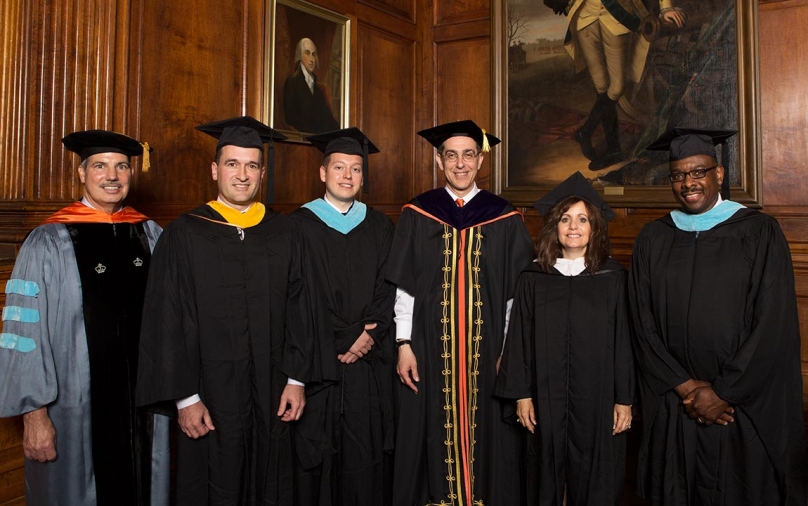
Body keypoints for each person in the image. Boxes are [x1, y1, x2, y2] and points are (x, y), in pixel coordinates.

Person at [136, 116, 327, 505]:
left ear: (262, 172)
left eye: (252, 165)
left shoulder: (284, 232)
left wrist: (297, 379)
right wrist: (185, 399)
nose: (242, 175)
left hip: (275, 389)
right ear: (214, 169)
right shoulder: (185, 234)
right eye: (232, 164)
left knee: (274, 478)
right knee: (213, 480)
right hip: (209, 396)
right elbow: (168, 319)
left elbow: (302, 309)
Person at [630, 127, 807, 505]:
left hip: (739, 408)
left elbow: (772, 324)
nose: (688, 182)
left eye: (698, 172)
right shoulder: (654, 237)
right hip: (677, 404)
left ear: (719, 174)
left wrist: (723, 393)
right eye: (678, 175)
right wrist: (684, 386)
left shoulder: (759, 232)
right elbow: (641, 322)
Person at [0, 130, 169, 505]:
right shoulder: (49, 240)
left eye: (122, 166)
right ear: (81, 174)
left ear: (131, 174)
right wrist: (34, 414)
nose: (112, 175)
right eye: (100, 166)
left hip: (144, 406)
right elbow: (22, 332)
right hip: (74, 410)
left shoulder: (150, 234)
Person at [386, 120, 535, 505]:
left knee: (487, 429)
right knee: (430, 423)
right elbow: (405, 287)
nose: (460, 163)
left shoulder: (504, 217)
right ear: (439, 161)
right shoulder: (419, 213)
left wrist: (509, 351)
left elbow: (515, 296)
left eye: (468, 155)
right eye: (451, 155)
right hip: (428, 347)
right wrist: (403, 343)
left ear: (480, 159)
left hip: (488, 351)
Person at [495, 171, 634, 505]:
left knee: (597, 472)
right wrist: (522, 395)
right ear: (554, 227)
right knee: (544, 469)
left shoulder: (612, 279)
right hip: (544, 398)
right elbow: (520, 341)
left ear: (594, 227)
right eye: (566, 219)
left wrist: (624, 400)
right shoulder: (533, 278)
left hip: (599, 400)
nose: (573, 227)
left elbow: (624, 344)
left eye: (582, 219)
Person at [289, 127, 395, 505]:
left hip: (368, 364)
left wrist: (371, 333)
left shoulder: (381, 226)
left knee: (365, 454)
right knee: (318, 454)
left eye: (355, 169)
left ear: (363, 176)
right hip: (321, 362)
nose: (348, 176)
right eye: (339, 168)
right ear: (323, 173)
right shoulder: (297, 226)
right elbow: (297, 296)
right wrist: (346, 336)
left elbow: (389, 289)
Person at [545, 0, 686, 170]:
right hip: (585, 18)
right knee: (601, 85)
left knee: (617, 87)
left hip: (619, 17)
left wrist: (666, 9)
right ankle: (614, 150)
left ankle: (586, 131)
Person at [283, 37, 340, 133]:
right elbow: (290, 118)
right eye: (307, 53)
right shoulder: (292, 82)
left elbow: (328, 119)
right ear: (300, 56)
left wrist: (340, 133)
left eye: (313, 54)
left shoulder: (317, 90)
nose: (311, 59)